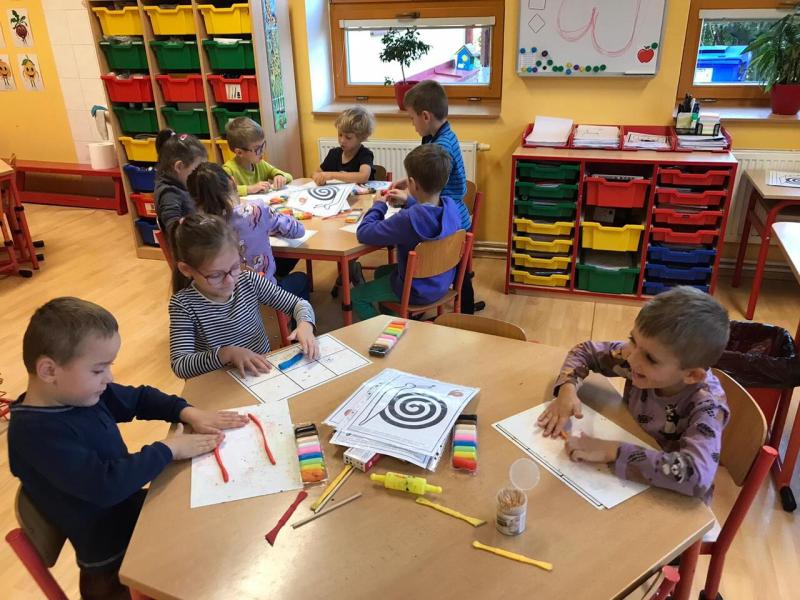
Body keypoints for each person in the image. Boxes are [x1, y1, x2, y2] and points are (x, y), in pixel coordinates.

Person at [8, 297, 246, 599]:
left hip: (137, 523)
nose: (109, 378)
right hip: (116, 568)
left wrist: (187, 412)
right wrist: (168, 450)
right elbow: (105, 485)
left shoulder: (78, 394)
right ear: (48, 370)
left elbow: (140, 398)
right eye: (98, 370)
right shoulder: (34, 434)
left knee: (225, 523)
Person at [538, 286, 731, 502]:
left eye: (651, 358)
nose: (631, 359)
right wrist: (567, 389)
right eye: (633, 339)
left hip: (672, 498)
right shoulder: (638, 358)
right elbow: (584, 351)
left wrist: (614, 451)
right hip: (625, 469)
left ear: (692, 375)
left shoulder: (708, 405)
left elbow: (696, 476)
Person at [169, 214, 318, 379]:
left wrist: (305, 324)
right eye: (216, 275)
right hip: (220, 383)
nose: (230, 280)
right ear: (186, 270)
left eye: (234, 267)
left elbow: (298, 304)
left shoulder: (249, 281)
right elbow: (180, 364)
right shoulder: (183, 305)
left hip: (261, 375)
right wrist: (226, 354)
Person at [386, 80, 484, 313]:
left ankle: (463, 313)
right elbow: (432, 183)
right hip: (453, 214)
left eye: (412, 118)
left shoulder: (440, 146)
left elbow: (435, 196)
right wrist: (409, 184)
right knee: (460, 270)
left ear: (425, 116)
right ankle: (462, 309)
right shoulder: (441, 135)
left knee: (456, 269)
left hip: (450, 218)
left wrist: (409, 197)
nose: (412, 125)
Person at [352, 144, 460, 320]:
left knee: (356, 296)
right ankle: (394, 319)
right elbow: (429, 216)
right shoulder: (452, 207)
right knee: (381, 272)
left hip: (415, 290)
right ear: (446, 180)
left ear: (412, 184)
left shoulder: (407, 220)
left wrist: (378, 206)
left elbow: (364, 233)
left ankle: (383, 331)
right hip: (442, 282)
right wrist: (410, 201)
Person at [187, 162, 310, 300]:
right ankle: (295, 314)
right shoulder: (256, 210)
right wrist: (267, 225)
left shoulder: (197, 228)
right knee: (302, 278)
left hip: (223, 300)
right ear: (233, 182)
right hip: (265, 294)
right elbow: (298, 230)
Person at [153, 129, 208, 233]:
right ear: (179, 167)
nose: (201, 173)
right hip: (191, 241)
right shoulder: (169, 194)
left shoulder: (182, 182)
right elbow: (173, 230)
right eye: (197, 169)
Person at [223, 117, 293, 197]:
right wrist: (250, 189)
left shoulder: (260, 164)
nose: (262, 152)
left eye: (263, 145)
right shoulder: (228, 170)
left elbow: (289, 177)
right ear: (239, 152)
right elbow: (223, 191)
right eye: (258, 149)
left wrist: (280, 176)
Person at [313, 106, 376, 185]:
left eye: (348, 137)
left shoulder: (365, 154)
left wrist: (332, 175)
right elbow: (316, 173)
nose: (342, 140)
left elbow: (363, 177)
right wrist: (319, 178)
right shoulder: (333, 154)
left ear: (361, 138)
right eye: (340, 135)